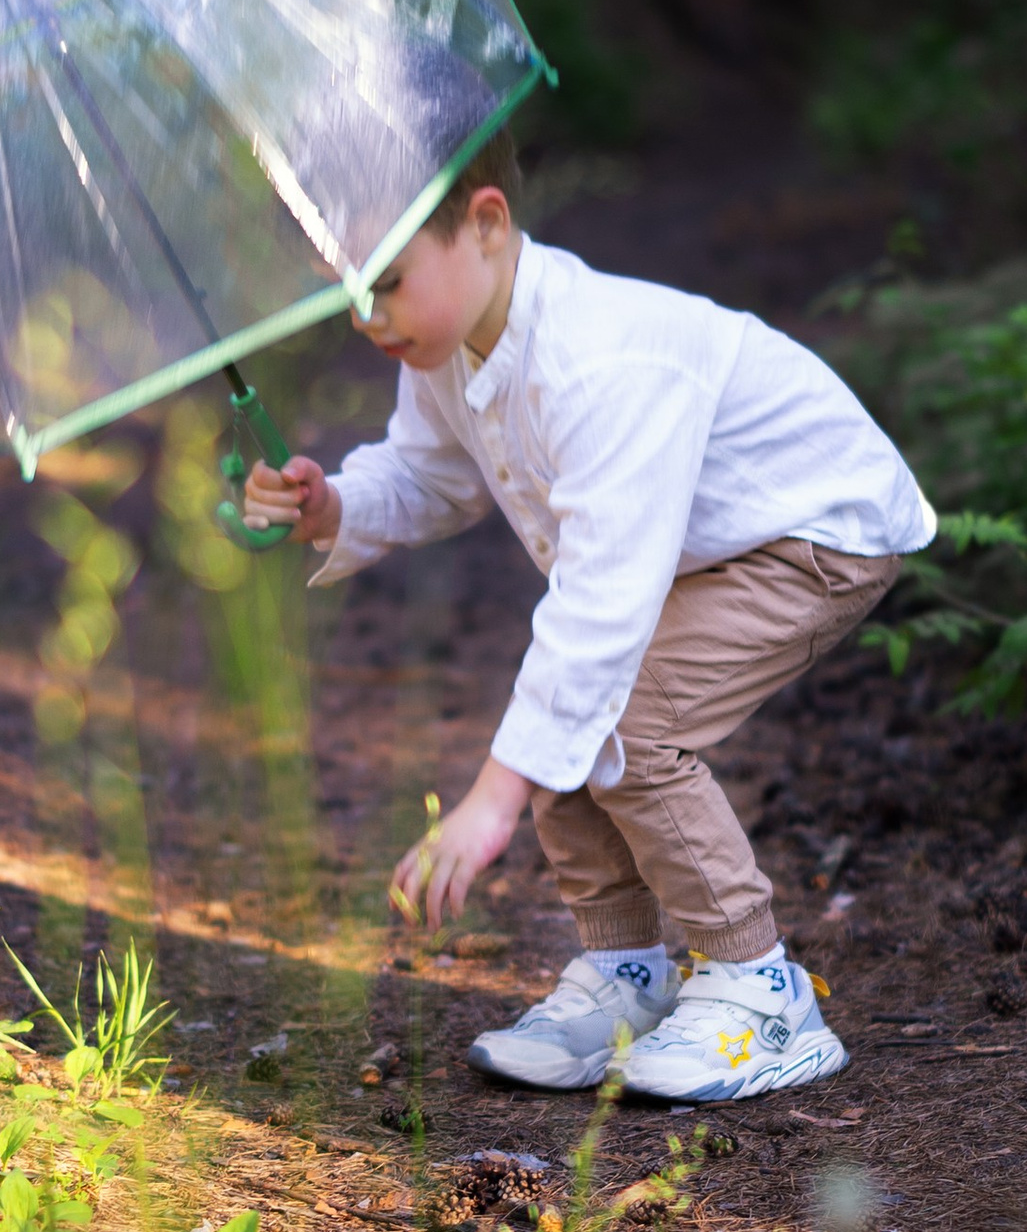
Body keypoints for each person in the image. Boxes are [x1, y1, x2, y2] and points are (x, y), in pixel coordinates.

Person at [240, 128, 935, 1101]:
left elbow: (600, 614)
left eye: (386, 281)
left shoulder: (597, 362)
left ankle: (760, 988)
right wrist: (336, 506)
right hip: (709, 546)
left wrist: (490, 803)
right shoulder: (444, 345)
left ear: (485, 224)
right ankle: (628, 976)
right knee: (567, 716)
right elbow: (430, 474)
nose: (367, 315)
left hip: (816, 527)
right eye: (346, 289)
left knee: (620, 717)